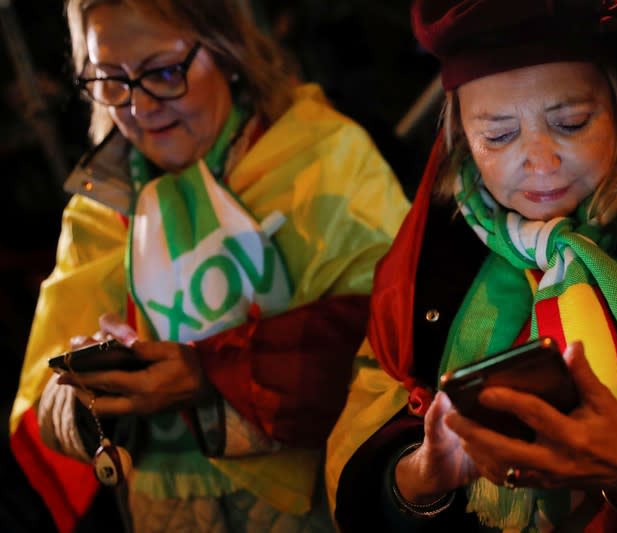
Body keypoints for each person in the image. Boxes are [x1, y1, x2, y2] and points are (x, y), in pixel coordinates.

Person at [325, 1, 617, 531]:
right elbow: (371, 405)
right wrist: (414, 482)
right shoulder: (431, 239)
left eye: (571, 122)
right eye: (499, 135)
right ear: (458, 133)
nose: (541, 160)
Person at [9, 0, 409, 531]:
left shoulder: (323, 160)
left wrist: (211, 376)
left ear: (227, 50)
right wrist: (90, 394)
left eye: (164, 71)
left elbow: (394, 349)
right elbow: (43, 400)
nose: (140, 106)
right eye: (109, 79)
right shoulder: (99, 209)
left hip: (318, 504)